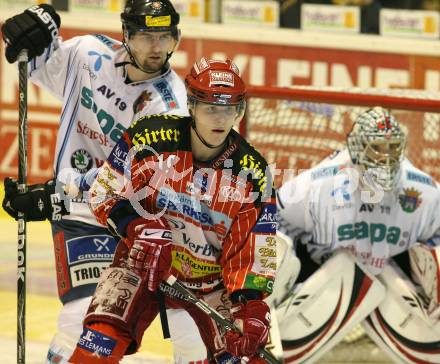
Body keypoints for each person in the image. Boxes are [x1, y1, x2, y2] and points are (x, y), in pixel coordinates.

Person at [1, 1, 190, 362]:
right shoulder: (88, 54)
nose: (156, 48)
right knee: (79, 318)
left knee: (106, 326)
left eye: (165, 37)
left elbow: (131, 178)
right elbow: (33, 59)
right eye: (147, 36)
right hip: (79, 214)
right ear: (127, 35)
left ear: (175, 39)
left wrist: (53, 194)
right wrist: (36, 25)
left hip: (129, 222)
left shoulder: (172, 107)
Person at [67, 57, 277, 364]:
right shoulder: (147, 137)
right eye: (210, 108)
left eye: (229, 109)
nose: (220, 119)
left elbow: (253, 252)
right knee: (96, 345)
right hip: (141, 261)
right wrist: (137, 226)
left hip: (210, 283)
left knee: (244, 356)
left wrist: (252, 305)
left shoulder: (254, 175)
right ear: (191, 105)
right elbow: (104, 193)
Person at [275, 107, 440, 363]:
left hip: (392, 281)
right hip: (325, 276)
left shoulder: (422, 190)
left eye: (393, 148)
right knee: (271, 249)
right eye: (377, 148)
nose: (386, 159)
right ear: (356, 148)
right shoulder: (318, 184)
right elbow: (274, 219)